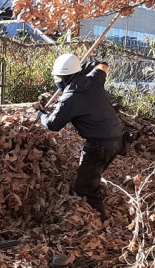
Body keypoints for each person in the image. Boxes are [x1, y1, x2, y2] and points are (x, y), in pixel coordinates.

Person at [33, 53, 124, 220]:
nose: (56, 80)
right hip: (117, 138)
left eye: (58, 77)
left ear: (64, 78)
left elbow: (53, 124)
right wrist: (86, 67)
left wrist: (40, 116)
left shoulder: (71, 97)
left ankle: (99, 223)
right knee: (91, 177)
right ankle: (96, 206)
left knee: (84, 188)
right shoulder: (94, 79)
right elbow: (102, 65)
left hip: (100, 145)